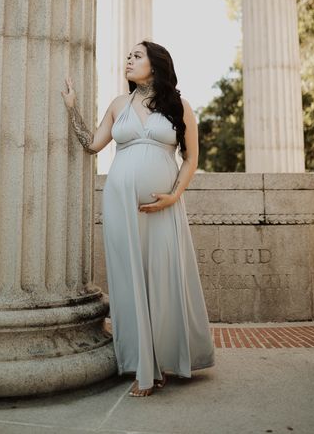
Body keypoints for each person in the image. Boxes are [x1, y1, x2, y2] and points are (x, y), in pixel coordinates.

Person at [61, 40, 215, 397]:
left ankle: (164, 359)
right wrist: (72, 108)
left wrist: (174, 195)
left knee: (161, 278)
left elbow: (191, 159)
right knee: (129, 279)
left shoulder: (180, 105)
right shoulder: (119, 105)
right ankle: (144, 367)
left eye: (136, 55)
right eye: (127, 55)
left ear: (156, 64)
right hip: (120, 204)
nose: (128, 60)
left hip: (163, 207)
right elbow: (92, 145)